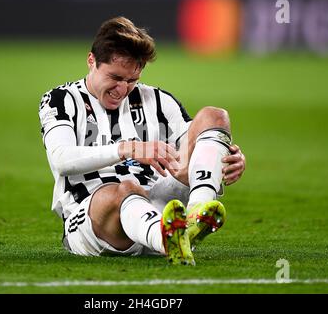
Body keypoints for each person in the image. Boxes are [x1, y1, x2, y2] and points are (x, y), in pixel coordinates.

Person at [38, 16, 246, 265]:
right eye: (115, 77)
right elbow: (61, 159)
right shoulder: (61, 99)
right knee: (125, 188)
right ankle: (167, 239)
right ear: (91, 60)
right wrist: (128, 148)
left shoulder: (158, 100)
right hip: (94, 219)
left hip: (162, 206)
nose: (123, 89)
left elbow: (195, 151)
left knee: (215, 116)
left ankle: (194, 216)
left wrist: (225, 159)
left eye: (132, 80)